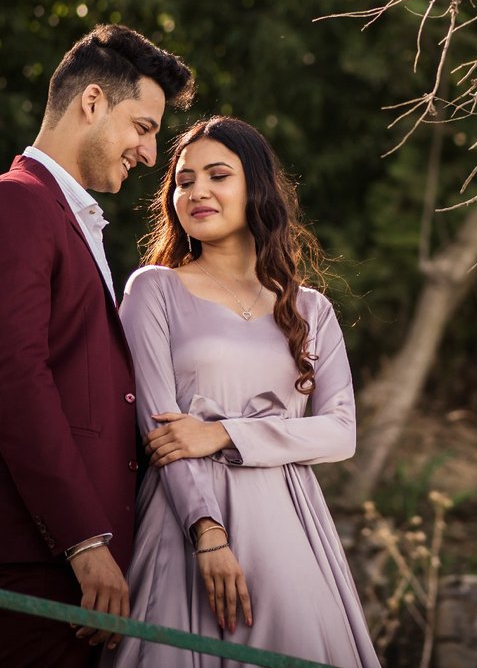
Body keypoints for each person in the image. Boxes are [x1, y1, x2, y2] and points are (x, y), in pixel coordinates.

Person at [0, 24, 194, 666]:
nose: (150, 153)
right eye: (145, 126)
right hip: (41, 545)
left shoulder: (65, 217)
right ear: (93, 102)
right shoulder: (12, 206)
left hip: (80, 556)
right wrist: (82, 540)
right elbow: (13, 382)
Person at [104, 116, 378, 668]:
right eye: (183, 180)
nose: (197, 191)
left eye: (217, 175)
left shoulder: (310, 309)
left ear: (255, 187)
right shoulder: (152, 289)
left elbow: (340, 431)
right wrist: (208, 536)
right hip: (186, 521)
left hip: (290, 528)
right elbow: (161, 431)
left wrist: (222, 432)